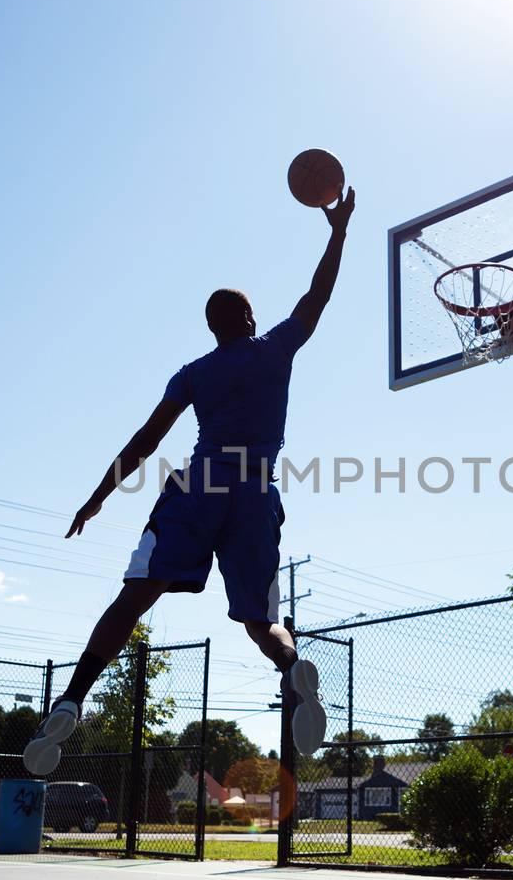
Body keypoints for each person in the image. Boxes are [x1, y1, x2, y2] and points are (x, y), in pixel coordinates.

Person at [23, 186, 356, 776]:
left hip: (199, 485)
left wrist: (98, 496)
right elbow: (317, 296)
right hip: (256, 492)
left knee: (136, 595)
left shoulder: (195, 373)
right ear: (249, 320)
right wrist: (338, 230)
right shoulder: (276, 349)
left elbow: (146, 439)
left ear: (211, 328)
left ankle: (72, 696)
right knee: (262, 619)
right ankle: (292, 669)